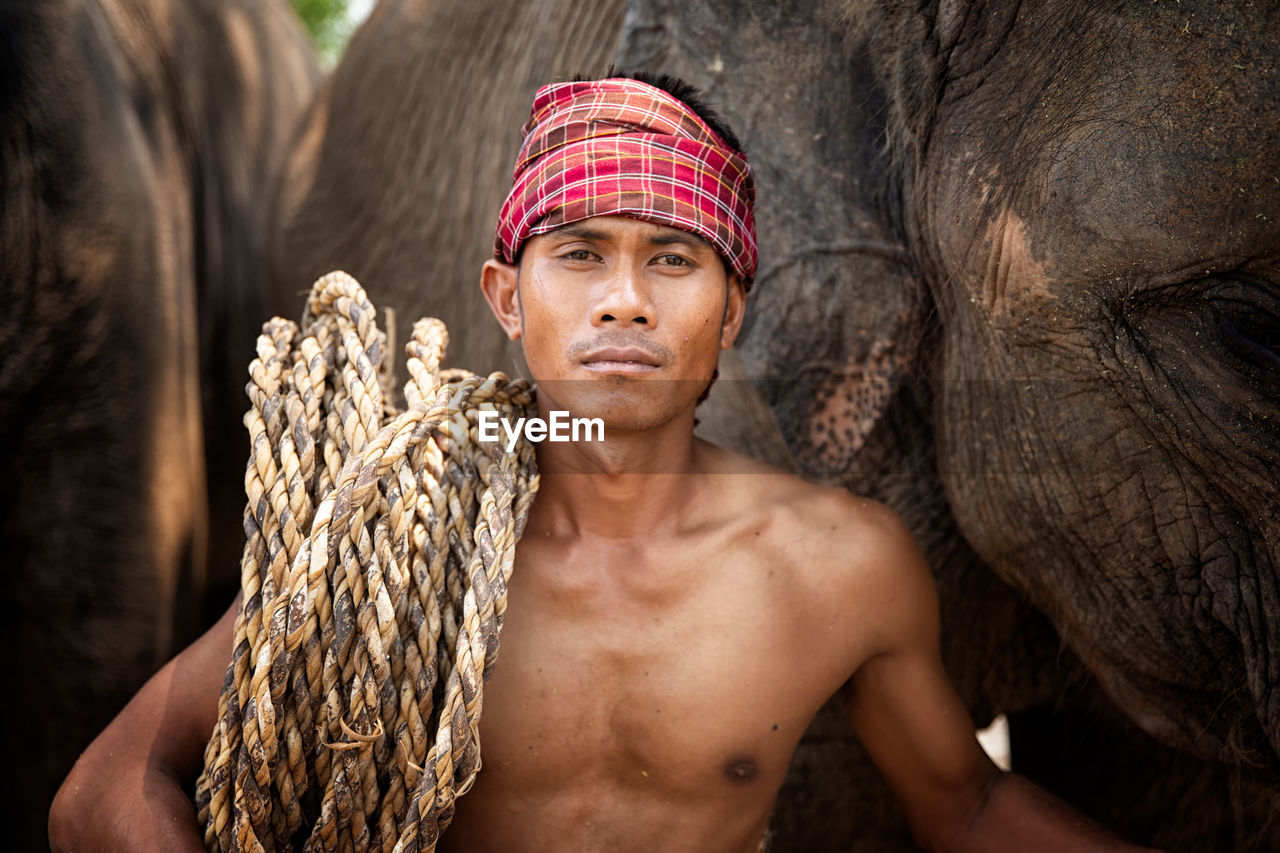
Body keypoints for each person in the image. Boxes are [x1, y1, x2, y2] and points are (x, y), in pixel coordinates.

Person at [50, 72, 1157, 853]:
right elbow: (106, 787)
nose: (623, 297)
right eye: (577, 254)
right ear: (505, 299)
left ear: (729, 313)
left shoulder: (835, 564)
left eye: (672, 259)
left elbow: (960, 808)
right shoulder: (398, 529)